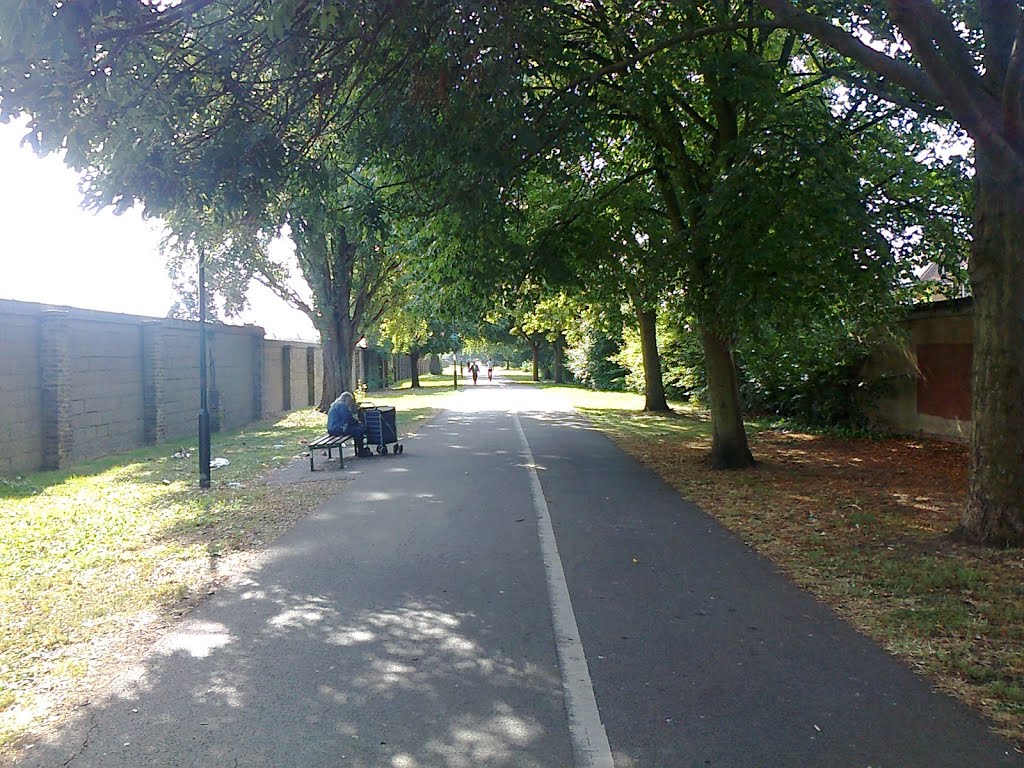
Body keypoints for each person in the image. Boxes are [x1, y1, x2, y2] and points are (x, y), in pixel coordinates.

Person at [327, 391, 370, 456]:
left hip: (333, 428)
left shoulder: (336, 404)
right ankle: (361, 451)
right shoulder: (341, 405)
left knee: (358, 428)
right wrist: (357, 422)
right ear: (346, 399)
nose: (350, 403)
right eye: (350, 401)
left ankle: (360, 450)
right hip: (337, 429)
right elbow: (347, 418)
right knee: (359, 430)